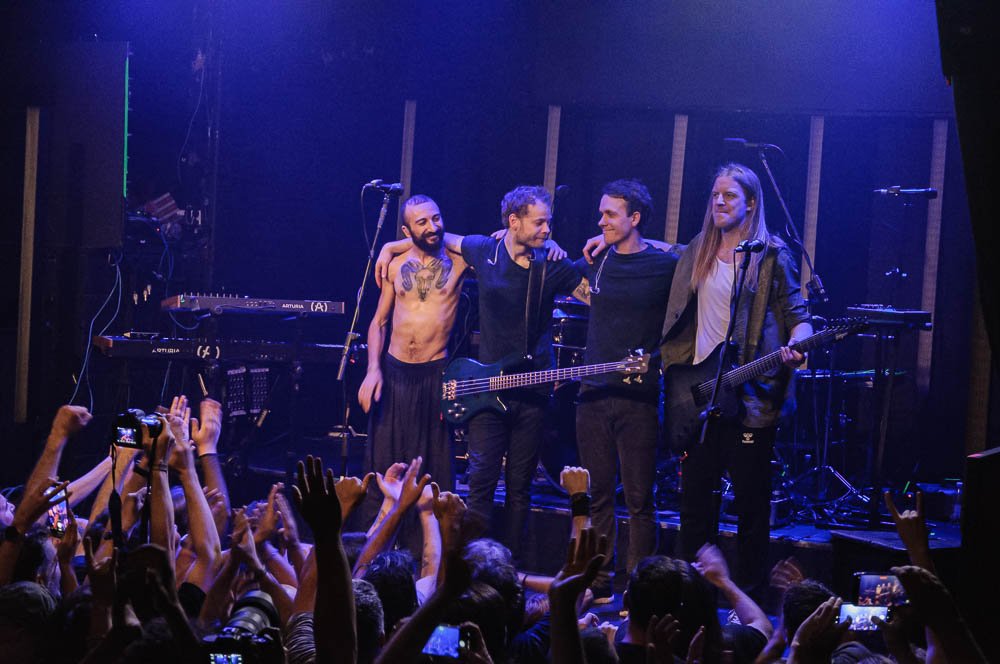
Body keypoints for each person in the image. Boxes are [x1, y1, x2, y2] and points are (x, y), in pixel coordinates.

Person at [376, 185, 586, 560]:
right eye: (539, 223)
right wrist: (391, 246)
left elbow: (596, 295)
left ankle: (508, 565)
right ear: (513, 221)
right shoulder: (483, 250)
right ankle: (470, 565)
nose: (547, 229)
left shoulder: (552, 264)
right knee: (480, 484)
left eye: (549, 223)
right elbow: (436, 236)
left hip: (531, 391)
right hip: (486, 389)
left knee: (519, 488)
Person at [660, 163, 812, 597]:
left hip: (750, 398)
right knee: (695, 502)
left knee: (750, 503)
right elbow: (658, 251)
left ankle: (748, 598)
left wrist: (798, 345)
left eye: (729, 195)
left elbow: (799, 317)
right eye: (715, 195)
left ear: (751, 202)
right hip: (702, 394)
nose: (719, 202)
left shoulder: (773, 256)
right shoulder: (698, 249)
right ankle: (694, 593)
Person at [572, 179, 677, 602]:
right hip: (592, 395)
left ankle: (639, 589)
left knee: (639, 499)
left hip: (639, 399)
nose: (601, 222)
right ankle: (599, 582)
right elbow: (551, 266)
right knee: (598, 495)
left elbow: (697, 254)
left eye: (610, 214)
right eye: (601, 214)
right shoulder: (596, 262)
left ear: (634, 218)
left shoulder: (664, 264)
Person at [360, 195, 467, 500]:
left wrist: (391, 244)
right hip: (394, 373)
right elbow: (379, 322)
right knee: (384, 464)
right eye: (422, 222)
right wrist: (373, 369)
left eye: (436, 218)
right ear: (407, 231)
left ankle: (430, 531)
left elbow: (492, 248)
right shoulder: (395, 266)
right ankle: (382, 528)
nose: (433, 226)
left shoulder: (459, 261)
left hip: (434, 373)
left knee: (433, 471)